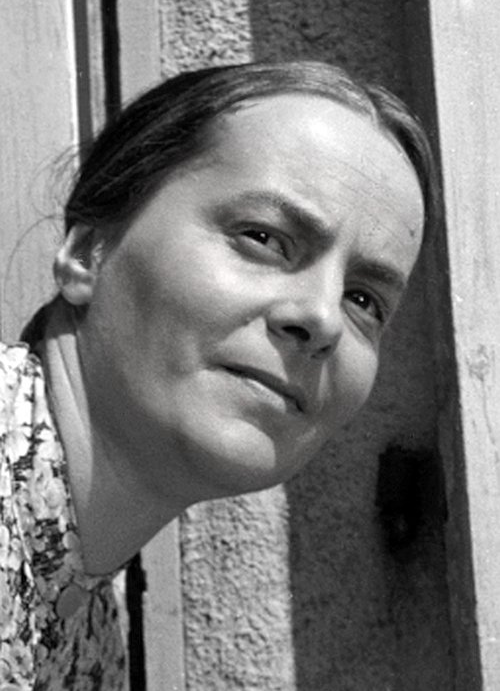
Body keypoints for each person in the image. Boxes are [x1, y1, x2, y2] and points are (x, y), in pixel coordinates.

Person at [0, 60, 436, 689]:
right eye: (263, 238)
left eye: (364, 300)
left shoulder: (89, 647)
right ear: (88, 253)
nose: (322, 318)